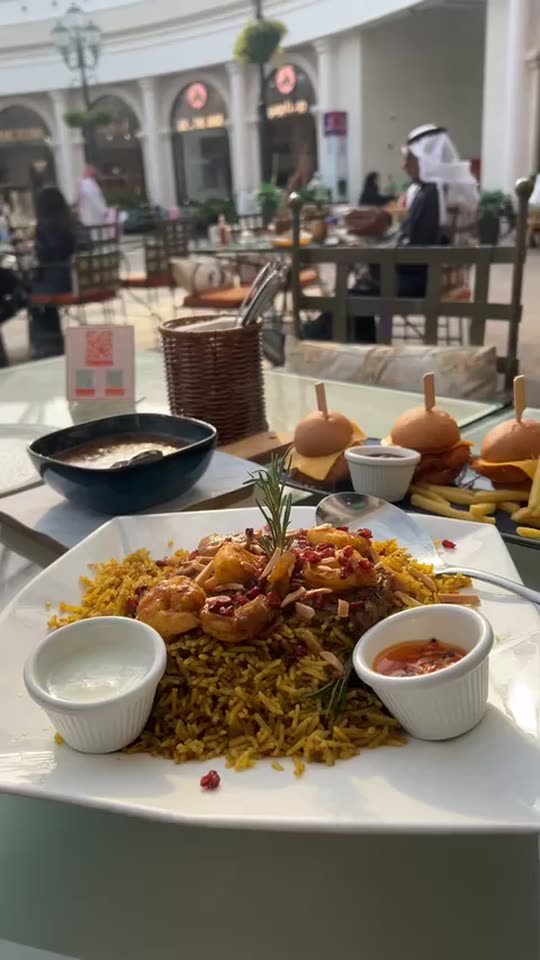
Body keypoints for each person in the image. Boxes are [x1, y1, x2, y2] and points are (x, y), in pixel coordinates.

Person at [304, 124, 479, 343]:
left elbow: (416, 252)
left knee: (352, 295)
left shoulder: (432, 194)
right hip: (427, 274)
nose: (404, 165)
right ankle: (361, 345)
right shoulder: (436, 190)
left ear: (426, 159)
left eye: (410, 159)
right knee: (358, 290)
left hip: (419, 280)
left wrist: (374, 256)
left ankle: (308, 337)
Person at [29, 185, 77, 359]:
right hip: (76, 279)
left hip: (58, 280)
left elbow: (45, 256)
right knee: (38, 292)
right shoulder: (72, 221)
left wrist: (34, 248)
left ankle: (48, 342)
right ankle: (51, 341)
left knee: (32, 296)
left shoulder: (44, 225)